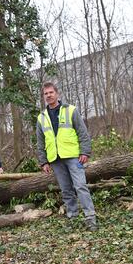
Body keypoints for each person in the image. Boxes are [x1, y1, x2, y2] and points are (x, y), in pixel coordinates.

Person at [36, 82, 97, 231]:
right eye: (46, 93)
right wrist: (43, 161)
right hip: (55, 159)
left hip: (73, 157)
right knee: (66, 190)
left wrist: (84, 152)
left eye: (51, 92)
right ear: (44, 97)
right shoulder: (41, 117)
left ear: (57, 94)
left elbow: (82, 132)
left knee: (81, 186)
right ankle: (73, 218)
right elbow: (40, 141)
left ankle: (90, 218)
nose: (49, 95)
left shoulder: (70, 110)